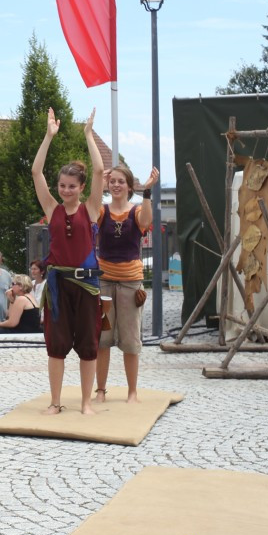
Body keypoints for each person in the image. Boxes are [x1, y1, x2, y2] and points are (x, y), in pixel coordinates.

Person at [32, 107, 105, 416]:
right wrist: (48, 137)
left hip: (87, 286)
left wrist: (88, 134)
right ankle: (55, 401)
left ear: (81, 188)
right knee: (56, 345)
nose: (65, 190)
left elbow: (100, 171)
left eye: (71, 186)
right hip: (59, 284)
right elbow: (36, 172)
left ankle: (86, 402)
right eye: (62, 185)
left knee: (89, 345)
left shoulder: (90, 209)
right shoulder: (53, 209)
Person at [96, 164, 159, 404]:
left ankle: (132, 392)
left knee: (131, 339)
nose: (116, 184)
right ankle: (100, 390)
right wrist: (98, 186)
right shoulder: (102, 211)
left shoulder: (136, 211)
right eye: (112, 181)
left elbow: (146, 219)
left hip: (131, 281)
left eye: (120, 181)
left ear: (129, 186)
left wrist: (147, 191)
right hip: (104, 280)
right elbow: (90, 214)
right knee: (102, 339)